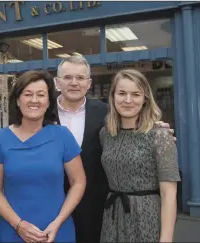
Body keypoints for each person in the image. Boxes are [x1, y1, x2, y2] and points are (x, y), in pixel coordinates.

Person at [53, 56, 173, 242]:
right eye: (68, 77)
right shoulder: (41, 115)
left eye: (80, 78)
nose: (74, 83)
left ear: (89, 83)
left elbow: (168, 192)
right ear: (57, 82)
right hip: (55, 207)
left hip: (100, 211)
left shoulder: (105, 114)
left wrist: (160, 132)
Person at [0, 70, 86, 242]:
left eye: (41, 95)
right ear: (18, 100)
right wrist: (19, 225)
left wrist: (58, 222)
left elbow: (78, 181)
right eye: (28, 94)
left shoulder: (62, 135)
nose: (34, 100)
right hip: (14, 232)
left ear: (49, 102)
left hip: (57, 231)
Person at [99, 69, 180, 242]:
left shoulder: (160, 135)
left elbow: (169, 195)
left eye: (136, 94)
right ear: (113, 97)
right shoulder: (105, 134)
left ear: (145, 99)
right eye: (122, 93)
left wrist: (166, 239)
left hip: (146, 217)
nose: (128, 100)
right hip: (112, 217)